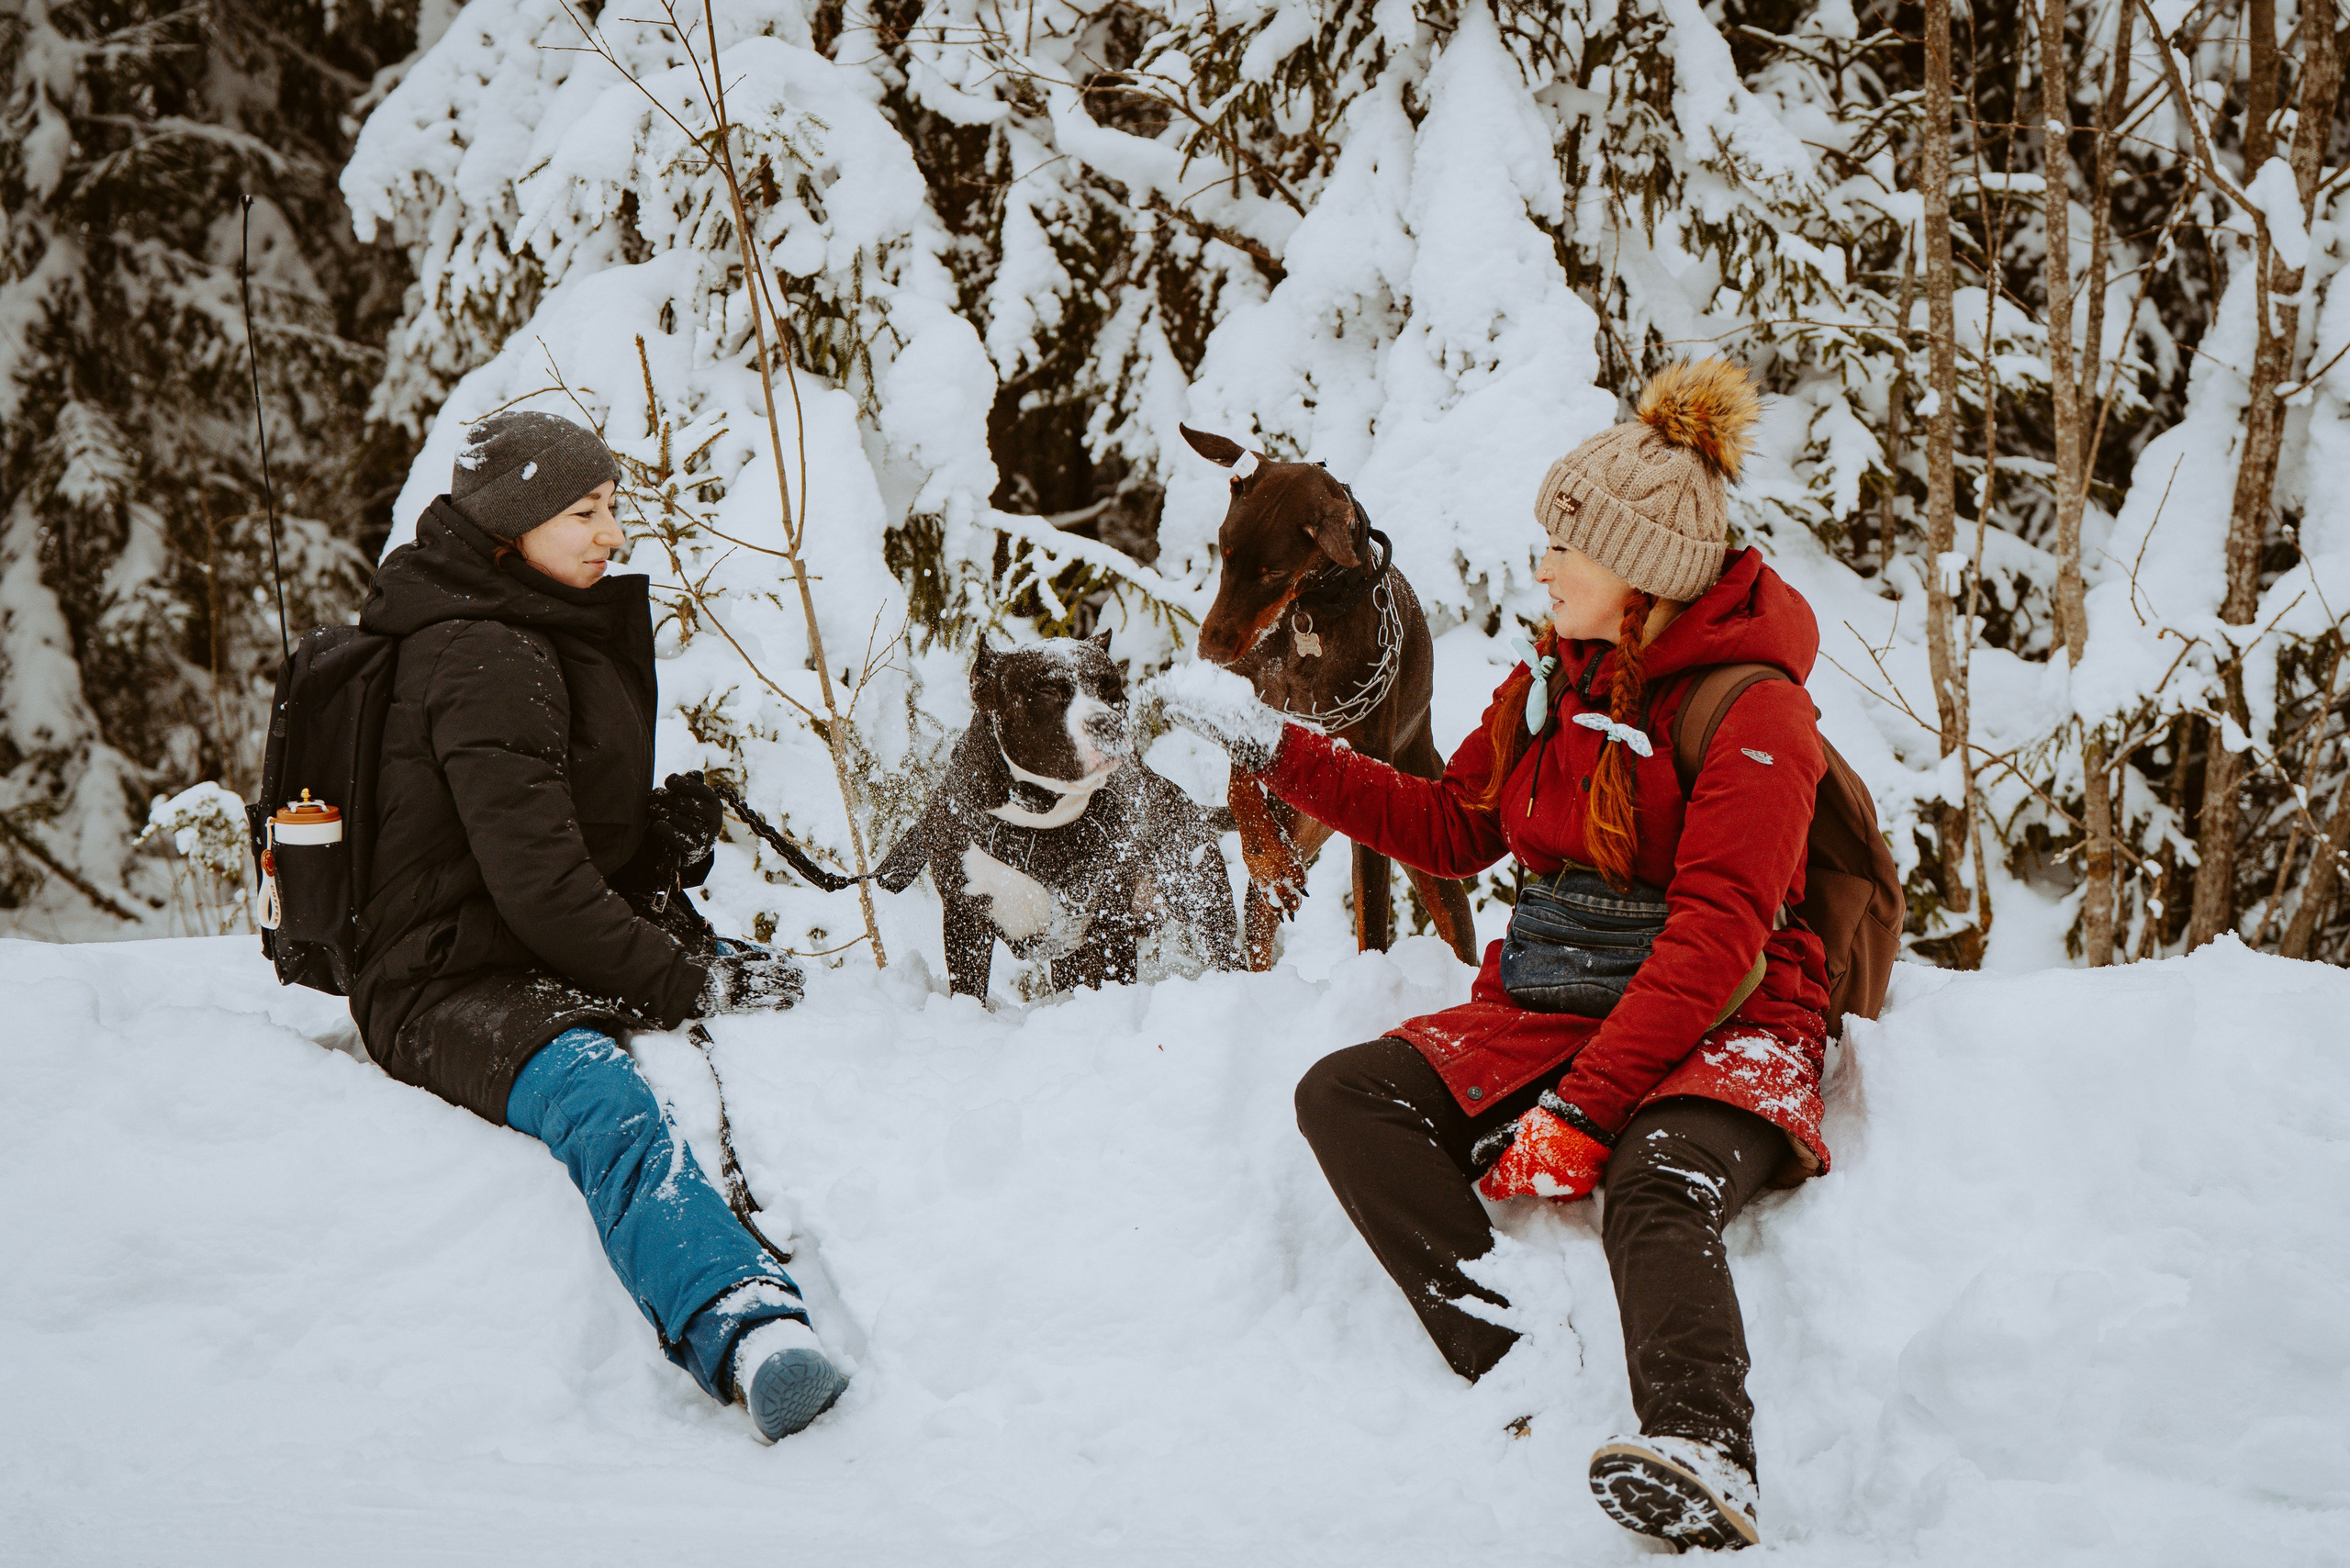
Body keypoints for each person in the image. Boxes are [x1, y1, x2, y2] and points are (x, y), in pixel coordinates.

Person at [1158, 361, 1824, 1551]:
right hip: (1556, 1002)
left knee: (1656, 1180)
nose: (1544, 567)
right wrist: (1279, 747)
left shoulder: (1754, 713)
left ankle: (1704, 1452)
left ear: (1641, 576)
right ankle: (1515, 1365)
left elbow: (1722, 935)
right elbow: (1452, 828)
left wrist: (1589, 1107)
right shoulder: (1546, 687)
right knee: (1344, 1099)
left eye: (1568, 547)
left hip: (1723, 1019)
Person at [350, 409, 846, 1442]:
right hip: (444, 981)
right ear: (512, 525)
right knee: (601, 1096)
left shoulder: (534, 625)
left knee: (794, 1005)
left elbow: (555, 848)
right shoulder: (482, 652)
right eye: (585, 511)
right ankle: (744, 1325)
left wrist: (658, 841)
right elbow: (538, 890)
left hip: (518, 946)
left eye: (612, 506)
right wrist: (682, 981)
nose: (612, 533)